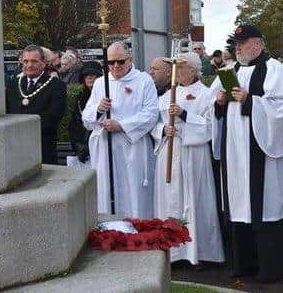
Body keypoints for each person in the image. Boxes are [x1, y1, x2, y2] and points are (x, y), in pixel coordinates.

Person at [211, 24, 283, 283]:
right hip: (235, 150)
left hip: (260, 151)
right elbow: (209, 106)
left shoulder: (274, 69)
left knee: (264, 205)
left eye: (242, 42)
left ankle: (269, 269)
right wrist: (219, 102)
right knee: (237, 203)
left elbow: (281, 108)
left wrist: (250, 100)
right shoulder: (229, 70)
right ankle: (242, 264)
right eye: (235, 43)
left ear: (257, 44)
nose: (237, 47)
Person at [152, 52, 224, 266]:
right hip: (169, 153)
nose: (176, 72)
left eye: (180, 67)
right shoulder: (166, 95)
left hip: (193, 154)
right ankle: (173, 252)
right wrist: (164, 130)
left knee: (194, 200)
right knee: (170, 201)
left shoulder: (206, 94)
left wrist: (184, 116)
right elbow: (153, 123)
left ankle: (197, 252)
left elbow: (210, 126)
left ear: (192, 70)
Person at [82, 42, 159, 217]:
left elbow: (151, 114)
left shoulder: (143, 81)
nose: (116, 66)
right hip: (106, 148)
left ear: (130, 59)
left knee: (133, 190)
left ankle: (137, 229)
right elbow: (86, 117)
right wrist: (99, 109)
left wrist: (122, 125)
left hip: (132, 147)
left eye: (121, 61)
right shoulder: (101, 83)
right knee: (108, 190)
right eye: (111, 62)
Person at [6, 45, 67, 164]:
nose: (29, 65)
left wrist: (25, 127)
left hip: (43, 146)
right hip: (16, 146)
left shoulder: (56, 85)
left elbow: (54, 116)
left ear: (43, 63)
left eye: (34, 61)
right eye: (26, 61)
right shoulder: (13, 85)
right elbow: (7, 111)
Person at [69, 61, 103, 163]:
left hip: (101, 145)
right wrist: (77, 145)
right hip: (84, 149)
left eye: (93, 75)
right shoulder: (81, 97)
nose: (90, 78)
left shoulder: (106, 95)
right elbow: (74, 124)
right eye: (86, 75)